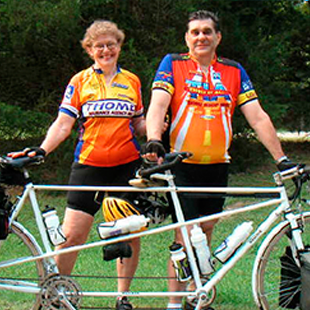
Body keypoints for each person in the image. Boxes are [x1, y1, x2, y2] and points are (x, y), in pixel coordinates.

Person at [142, 10, 298, 310]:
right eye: (195, 32)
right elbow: (158, 104)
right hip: (182, 165)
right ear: (187, 38)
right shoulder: (173, 64)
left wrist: (281, 159)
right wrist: (154, 139)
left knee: (205, 234)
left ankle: (195, 298)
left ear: (218, 37)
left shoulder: (233, 71)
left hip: (217, 165)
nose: (201, 37)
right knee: (185, 237)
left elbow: (257, 116)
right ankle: (175, 305)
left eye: (207, 32)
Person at [9, 20, 145, 310]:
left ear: (119, 46)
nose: (106, 50)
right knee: (72, 235)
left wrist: (159, 129)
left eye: (111, 44)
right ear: (89, 50)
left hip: (126, 167)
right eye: (99, 46)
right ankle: (57, 294)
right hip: (89, 165)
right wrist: (42, 149)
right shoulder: (80, 81)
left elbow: (138, 122)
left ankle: (123, 297)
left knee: (128, 231)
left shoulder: (132, 81)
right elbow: (63, 124)